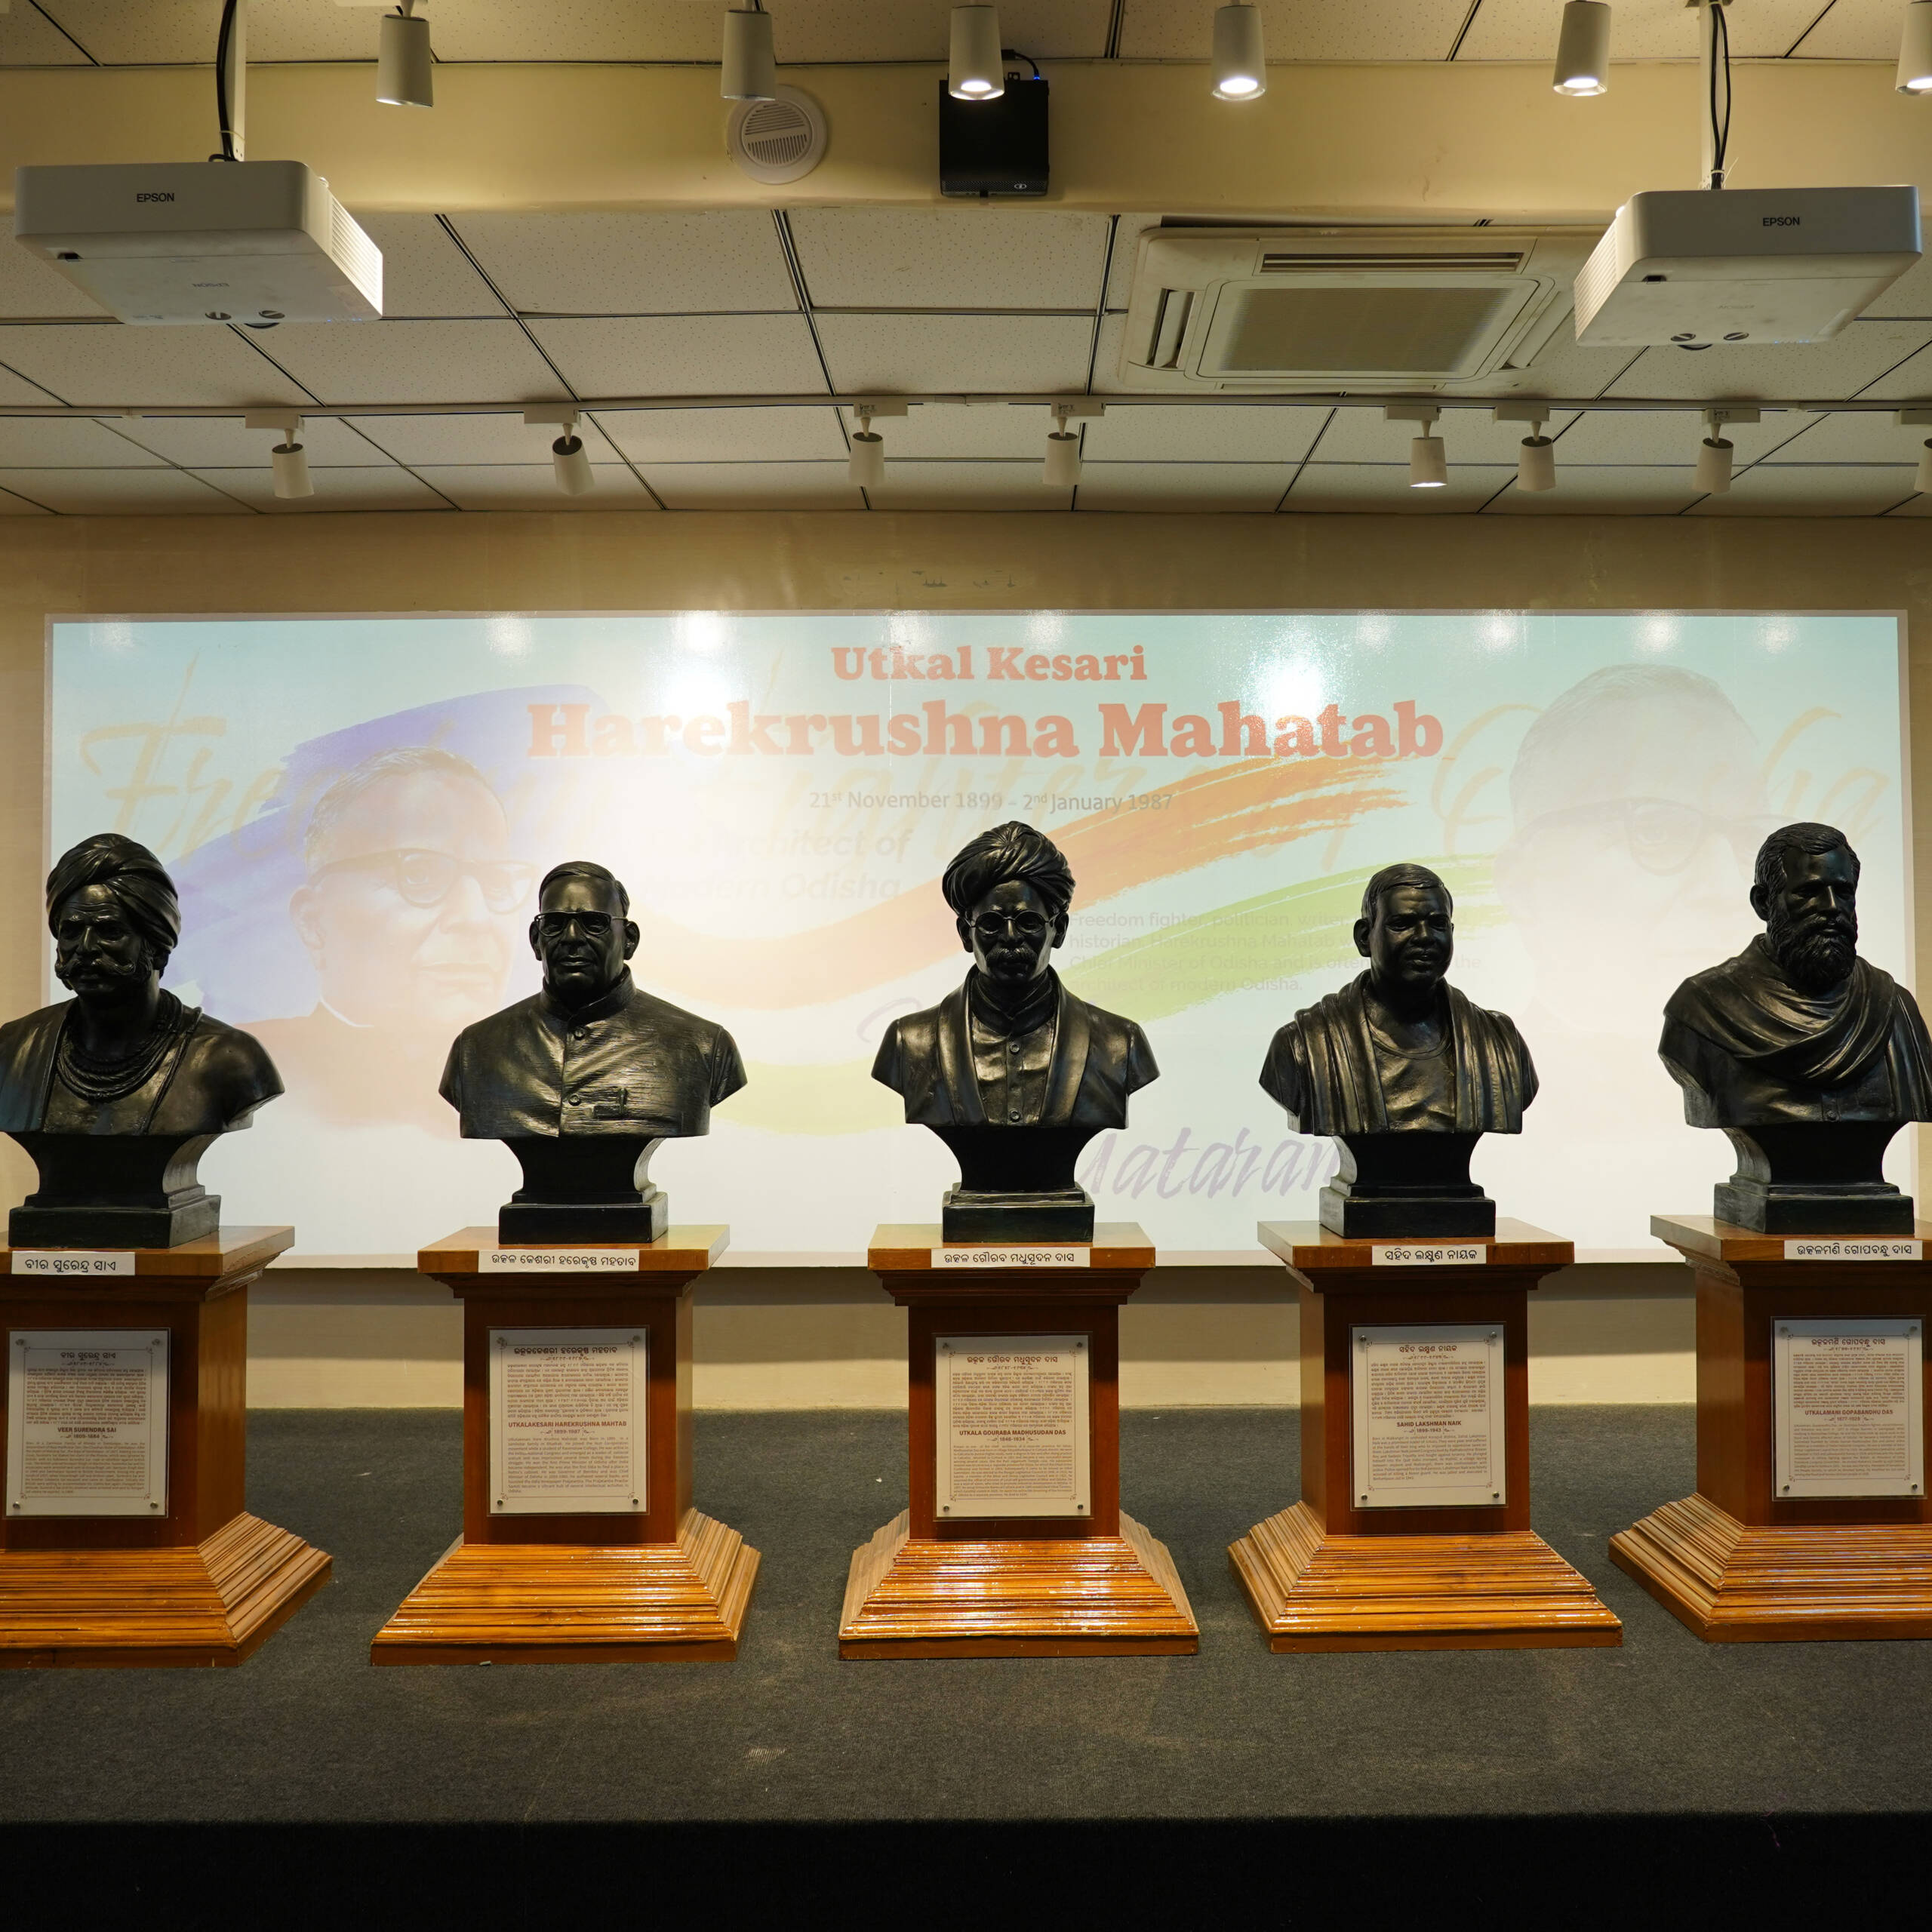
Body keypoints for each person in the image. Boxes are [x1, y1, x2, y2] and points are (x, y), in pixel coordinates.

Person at [0, 834, 281, 1244]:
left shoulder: (229, 1060)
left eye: (111, 931)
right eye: (71, 931)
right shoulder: (13, 1050)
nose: (86, 948)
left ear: (157, 946)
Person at [249, 746, 534, 1131]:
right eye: (420, 874)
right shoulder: (244, 1069)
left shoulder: (549, 1070)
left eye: (496, 882)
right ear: (314, 922)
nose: (476, 917)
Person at [872, 821, 1157, 1133]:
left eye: (1029, 921)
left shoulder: (1119, 1043)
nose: (1010, 936)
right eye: (991, 923)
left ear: (1058, 930)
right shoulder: (910, 1043)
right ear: (966, 934)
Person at [441, 860, 746, 1143]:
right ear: (536, 940)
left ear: (629, 940)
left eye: (593, 922)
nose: (572, 937)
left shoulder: (703, 1045)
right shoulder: (475, 1049)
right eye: (555, 923)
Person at [1660, 823, 1932, 1128]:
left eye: (1843, 892)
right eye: (1809, 892)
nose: (1832, 907)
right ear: (1763, 903)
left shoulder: (1895, 1008)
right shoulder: (1702, 1009)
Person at [1260, 862, 1536, 1137]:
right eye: (1402, 924)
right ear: (1365, 938)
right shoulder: (1304, 1045)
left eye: (1437, 924)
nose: (1425, 937)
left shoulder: (1499, 1043)